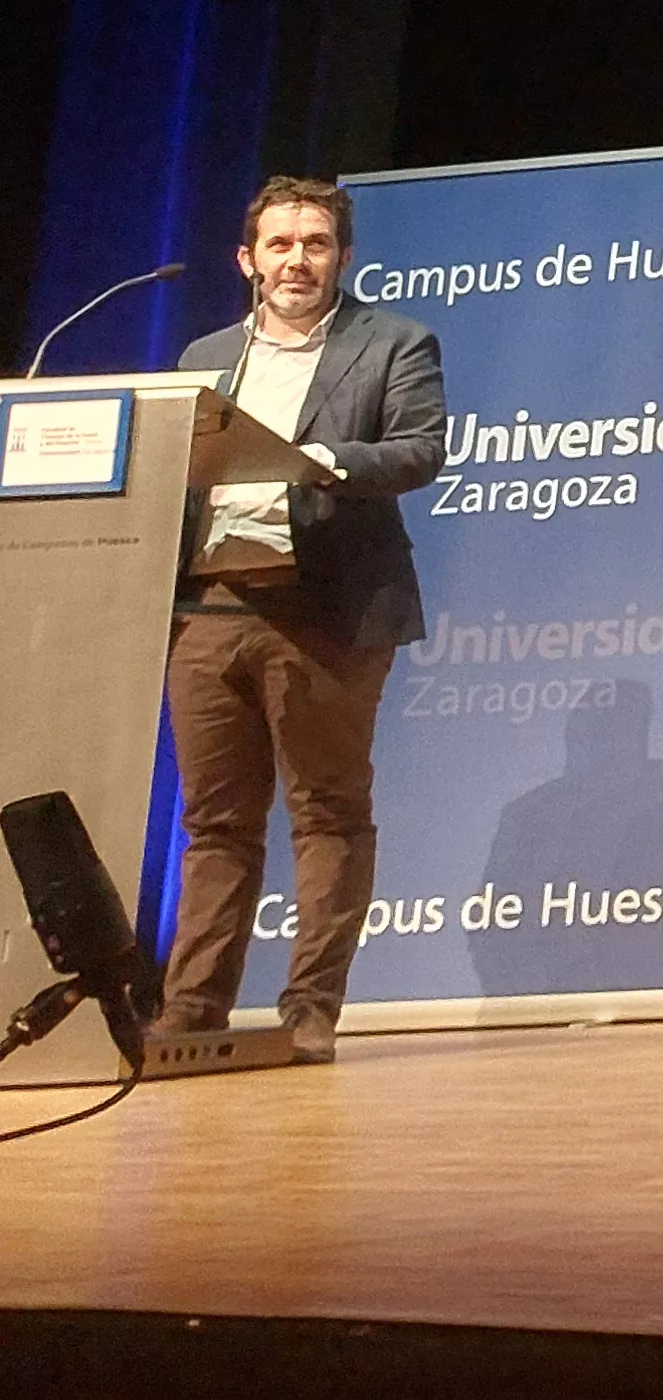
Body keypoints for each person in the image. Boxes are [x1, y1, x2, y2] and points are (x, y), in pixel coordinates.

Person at [156, 178, 444, 1066]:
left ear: (342, 258)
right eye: (280, 245)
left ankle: (309, 1010)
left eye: (315, 244)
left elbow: (419, 448)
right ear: (249, 260)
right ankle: (190, 1012)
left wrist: (321, 461)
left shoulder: (393, 341)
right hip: (210, 610)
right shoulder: (203, 357)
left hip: (326, 608)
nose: (297, 261)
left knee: (326, 813)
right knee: (216, 826)